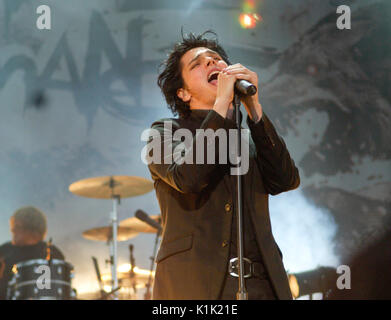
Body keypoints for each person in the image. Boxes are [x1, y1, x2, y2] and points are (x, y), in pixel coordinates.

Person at [146, 31, 300, 300]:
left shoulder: (250, 136)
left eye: (217, 59)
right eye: (198, 63)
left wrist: (254, 108)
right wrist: (221, 105)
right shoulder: (162, 133)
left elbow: (286, 180)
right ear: (182, 93)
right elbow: (188, 178)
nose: (213, 63)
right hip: (196, 285)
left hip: (263, 284)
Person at [0, 206, 65, 300]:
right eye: (12, 226)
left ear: (33, 230)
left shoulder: (52, 253)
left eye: (17, 227)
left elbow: (60, 290)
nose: (12, 230)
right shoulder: (4, 251)